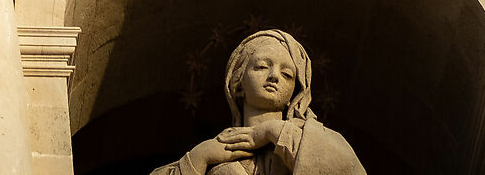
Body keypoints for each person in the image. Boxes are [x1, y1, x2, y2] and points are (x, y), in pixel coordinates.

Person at [156, 30, 366, 175]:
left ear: (294, 93)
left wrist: (272, 132)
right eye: (262, 67)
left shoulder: (314, 140)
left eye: (286, 74)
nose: (274, 76)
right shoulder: (214, 152)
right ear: (238, 81)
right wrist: (200, 157)